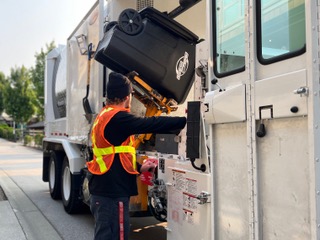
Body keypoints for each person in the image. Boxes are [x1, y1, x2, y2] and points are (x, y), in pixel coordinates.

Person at [87, 72, 187, 240]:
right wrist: (184, 121)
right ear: (127, 97)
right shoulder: (118, 118)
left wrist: (140, 168)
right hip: (112, 193)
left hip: (104, 189)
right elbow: (150, 124)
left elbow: (115, 154)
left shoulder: (104, 115)